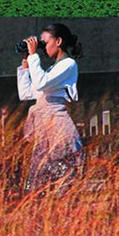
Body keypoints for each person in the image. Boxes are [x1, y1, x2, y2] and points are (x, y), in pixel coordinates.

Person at [19, 23, 83, 187]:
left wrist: (34, 56)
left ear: (58, 41)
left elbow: (40, 83)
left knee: (63, 172)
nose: (41, 47)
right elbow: (26, 94)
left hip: (56, 122)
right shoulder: (49, 70)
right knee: (39, 175)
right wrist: (26, 63)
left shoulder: (68, 64)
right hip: (44, 123)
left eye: (44, 43)